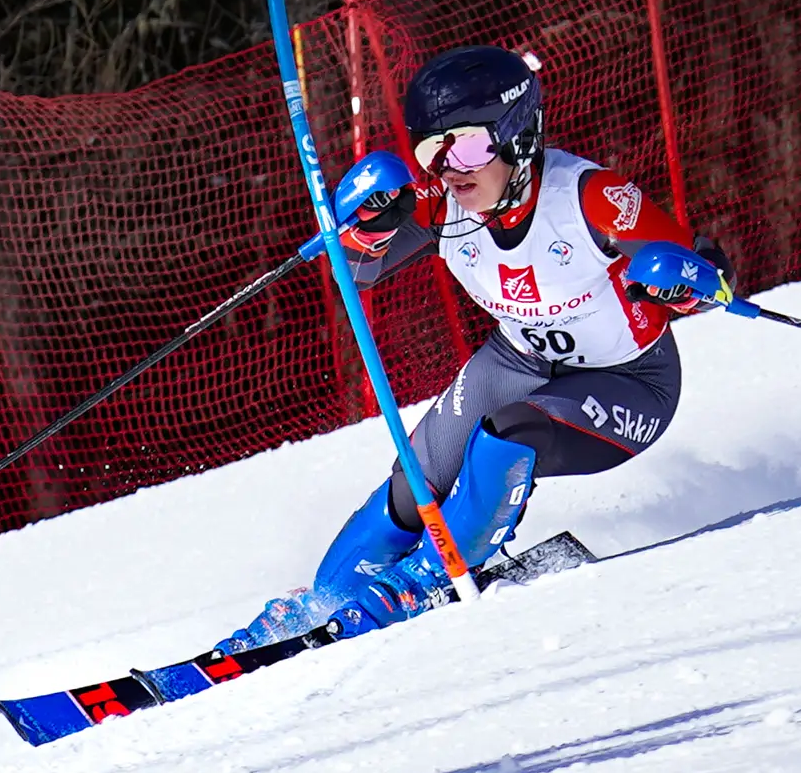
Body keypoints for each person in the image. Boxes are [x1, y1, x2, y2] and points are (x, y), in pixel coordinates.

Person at [218, 45, 735, 651]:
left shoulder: (588, 198)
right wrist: (363, 226)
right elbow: (356, 273)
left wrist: (686, 281)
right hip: (518, 359)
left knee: (506, 436)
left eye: (464, 145)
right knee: (416, 483)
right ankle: (327, 603)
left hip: (629, 379)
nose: (449, 168)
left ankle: (430, 580)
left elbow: (708, 280)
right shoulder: (444, 207)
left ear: (517, 136)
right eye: (431, 149)